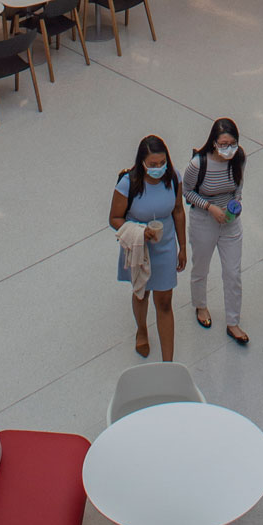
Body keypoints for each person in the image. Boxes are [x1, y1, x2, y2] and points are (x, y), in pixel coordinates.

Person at [110, 135, 186, 361]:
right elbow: (114, 218)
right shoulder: (128, 185)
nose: (158, 168)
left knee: (164, 302)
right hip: (138, 247)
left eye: (162, 163)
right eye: (153, 165)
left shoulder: (173, 179)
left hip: (165, 246)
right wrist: (140, 231)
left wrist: (182, 246)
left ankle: (168, 362)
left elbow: (179, 211)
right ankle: (141, 329)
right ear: (142, 163)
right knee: (141, 293)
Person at [185, 117, 249, 345]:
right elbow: (187, 192)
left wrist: (236, 203)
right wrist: (209, 207)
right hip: (204, 219)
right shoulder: (198, 164)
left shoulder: (239, 158)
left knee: (233, 273)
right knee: (201, 267)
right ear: (213, 142)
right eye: (223, 144)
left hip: (230, 221)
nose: (228, 149)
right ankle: (200, 306)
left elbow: (238, 187)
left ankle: (233, 321)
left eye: (232, 143)